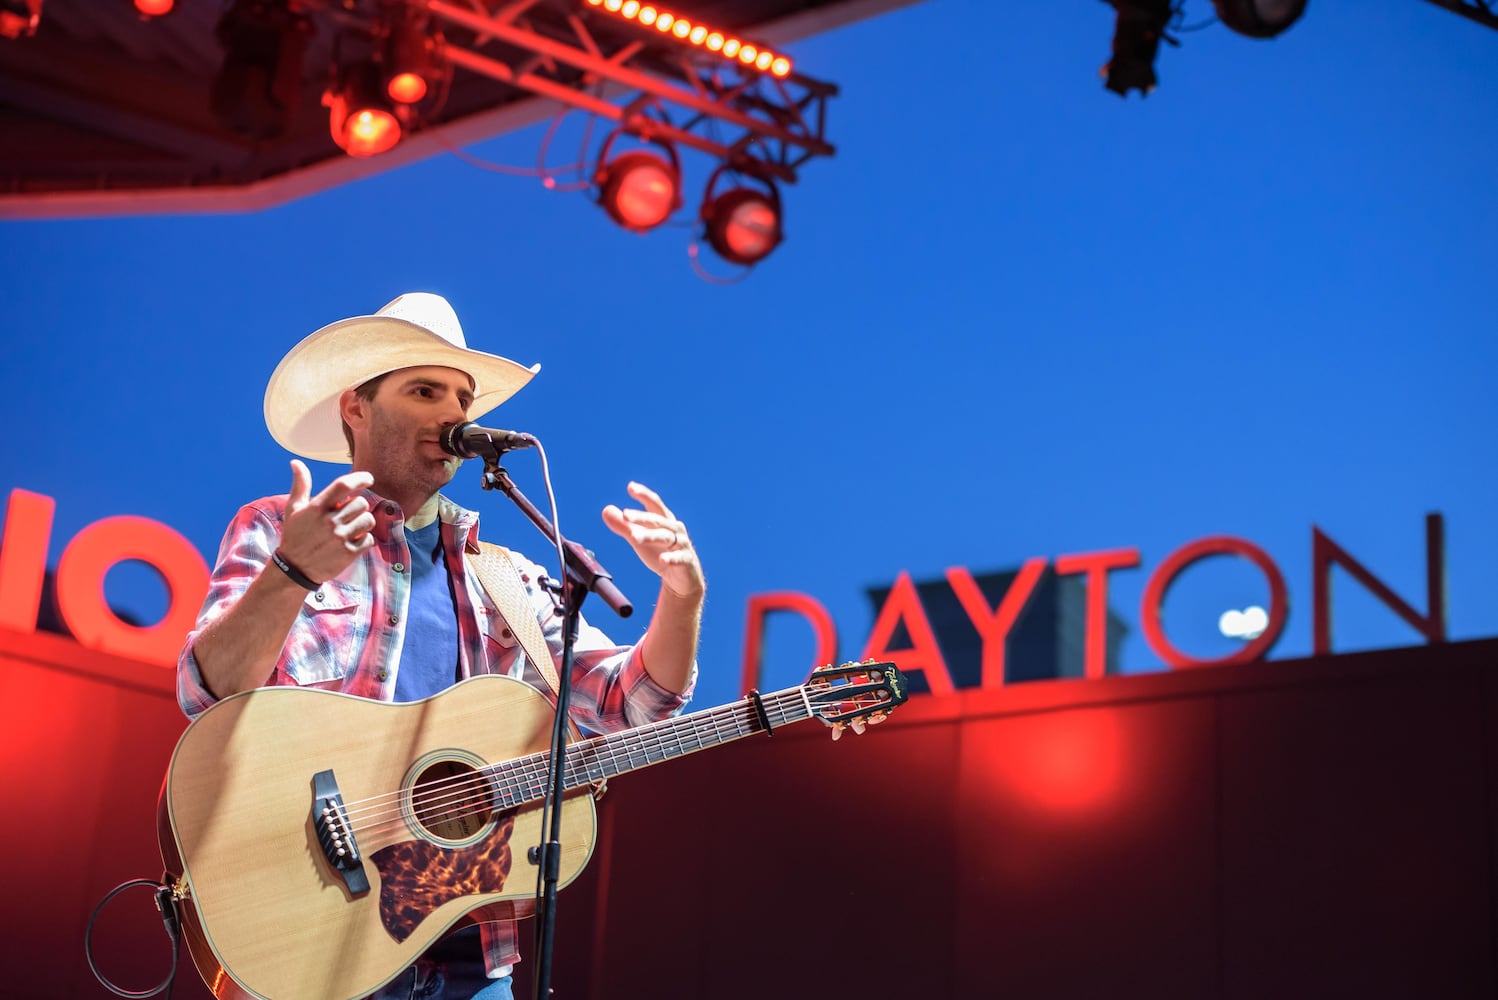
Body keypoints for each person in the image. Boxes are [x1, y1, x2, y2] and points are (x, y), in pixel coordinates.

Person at [175, 292, 705, 1000]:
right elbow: (208, 696)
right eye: (424, 391)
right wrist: (290, 575)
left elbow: (630, 701)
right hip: (313, 941)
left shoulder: (507, 577)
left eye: (462, 396)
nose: (453, 413)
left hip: (471, 966)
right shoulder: (279, 528)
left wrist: (682, 598)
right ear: (354, 410)